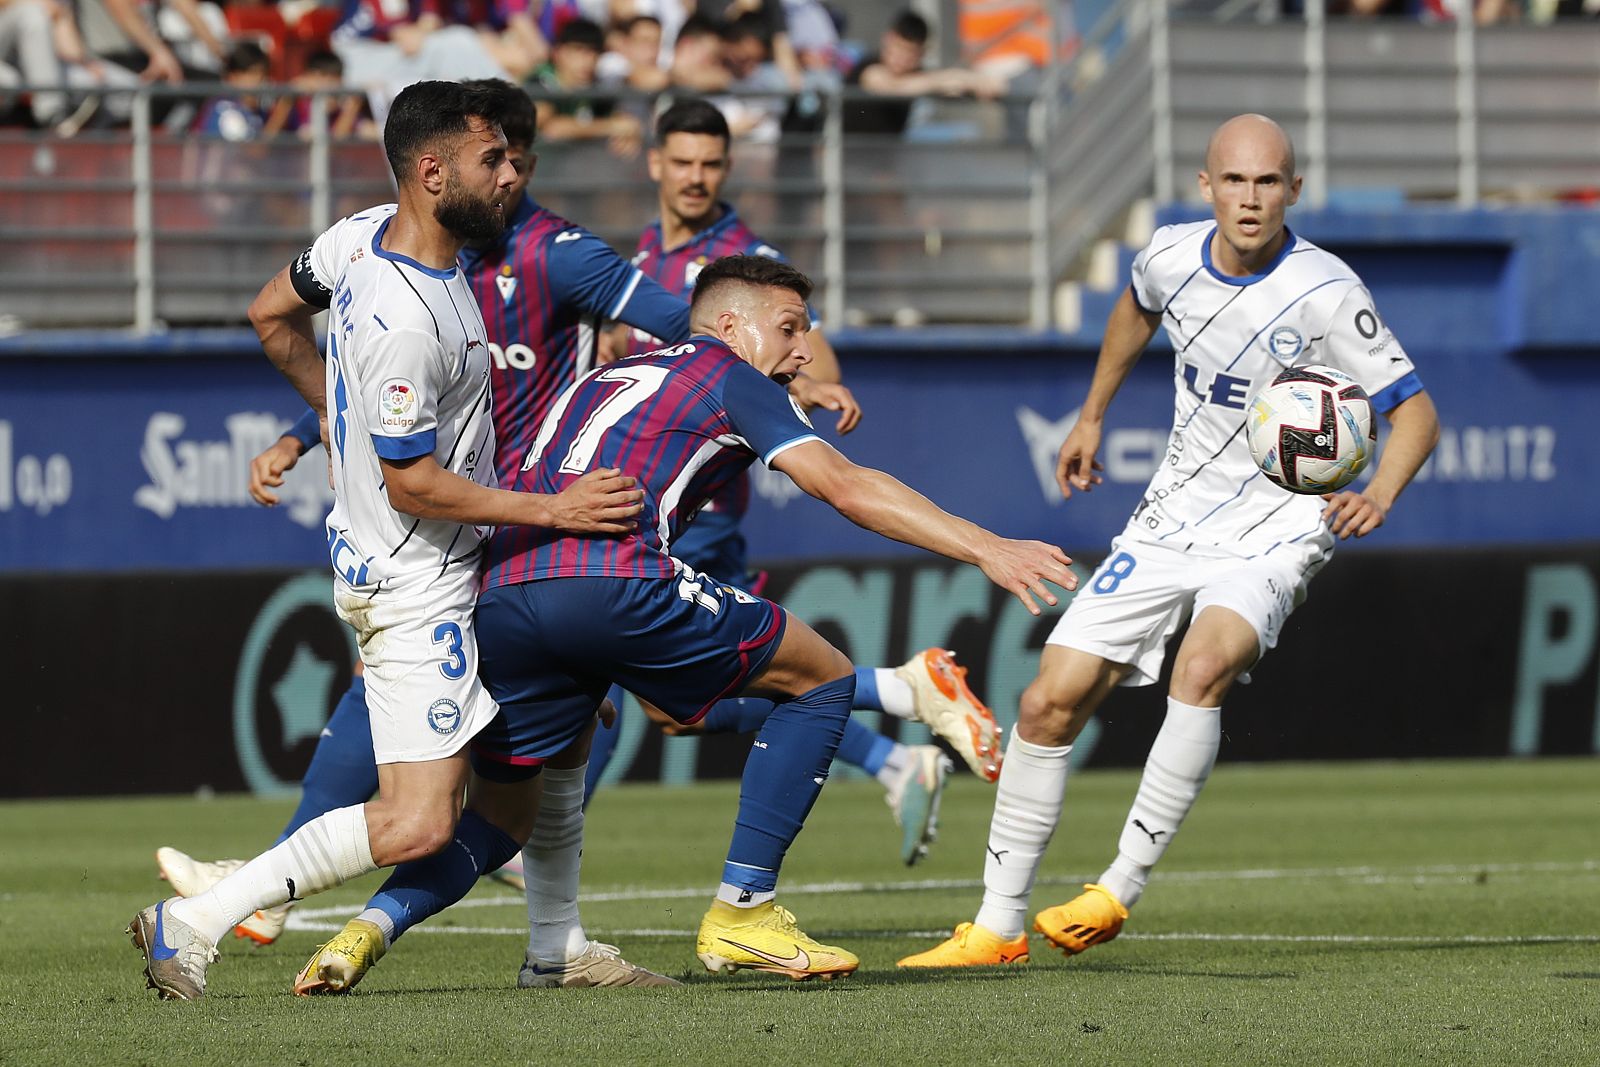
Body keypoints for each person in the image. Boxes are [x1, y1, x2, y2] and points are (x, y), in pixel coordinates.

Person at [306, 252, 1078, 984]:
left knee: (506, 809)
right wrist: (987, 547)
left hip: (503, 593)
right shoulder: (731, 376)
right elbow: (843, 485)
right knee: (820, 677)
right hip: (609, 582)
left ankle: (369, 926)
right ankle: (745, 907)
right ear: (733, 327)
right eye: (790, 326)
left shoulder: (607, 374)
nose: (804, 350)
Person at [153, 80, 692, 991]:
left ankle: (555, 947)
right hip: (420, 587)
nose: (512, 173)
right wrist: (557, 510)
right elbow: (414, 482)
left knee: (556, 742)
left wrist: (336, 412)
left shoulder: (357, 235)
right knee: (416, 823)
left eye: (515, 157)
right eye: (494, 160)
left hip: (435, 567)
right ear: (434, 172)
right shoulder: (410, 316)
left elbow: (269, 315)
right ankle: (199, 917)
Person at [898, 113, 1441, 969]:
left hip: (1279, 523)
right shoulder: (1167, 255)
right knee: (1046, 701)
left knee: (1202, 665)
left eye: (1269, 182)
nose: (1251, 198)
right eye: (1235, 180)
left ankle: (1118, 887)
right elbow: (1134, 310)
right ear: (1206, 186)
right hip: (1173, 514)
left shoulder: (1329, 290)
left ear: (1294, 190)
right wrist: (1091, 414)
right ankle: (999, 927)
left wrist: (1379, 489)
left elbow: (1415, 408)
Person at [607, 95, 1008, 868]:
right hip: (652, 502)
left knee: (671, 686)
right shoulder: (642, 252)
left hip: (700, 507)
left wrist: (816, 385)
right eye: (682, 162)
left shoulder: (741, 259)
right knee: (676, 703)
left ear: (728, 169)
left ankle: (529, 861)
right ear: (655, 163)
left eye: (711, 164)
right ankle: (896, 744)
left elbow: (806, 351)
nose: (696, 178)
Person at [842, 9, 1004, 137]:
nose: (902, 59)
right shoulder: (869, 68)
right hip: (848, 161)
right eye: (899, 48)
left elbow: (945, 86)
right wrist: (957, 78)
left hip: (885, 163)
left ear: (921, 54)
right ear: (887, 39)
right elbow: (893, 86)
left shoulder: (918, 78)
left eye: (910, 52)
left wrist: (978, 84)